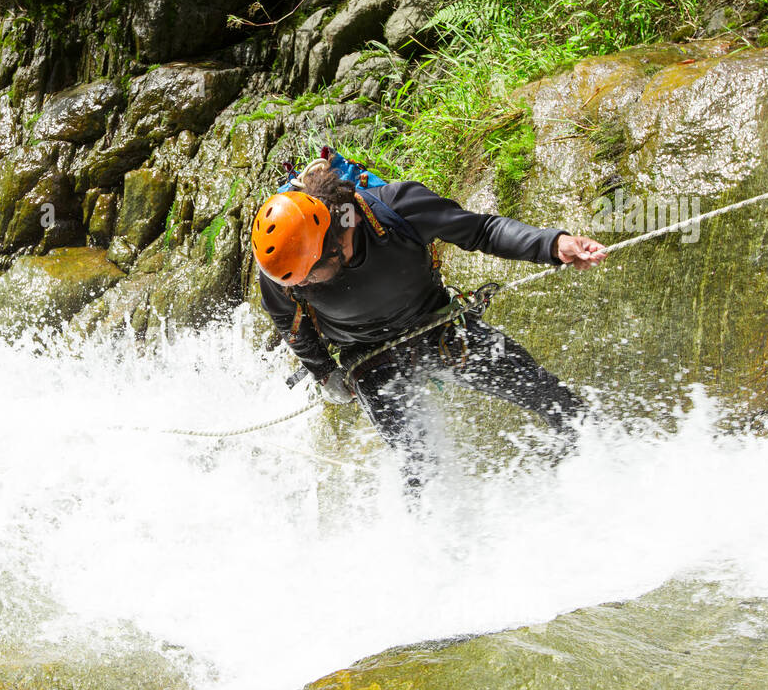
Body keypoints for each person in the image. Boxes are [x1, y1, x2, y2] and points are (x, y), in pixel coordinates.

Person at [253, 161, 608, 496]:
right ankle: (429, 544)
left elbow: (482, 230)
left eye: (312, 275)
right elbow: (290, 323)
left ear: (338, 240)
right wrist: (324, 372)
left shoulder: (397, 208)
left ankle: (605, 463)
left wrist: (551, 244)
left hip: (438, 328)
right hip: (367, 360)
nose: (306, 284)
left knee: (546, 394)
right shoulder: (284, 268)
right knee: (419, 465)